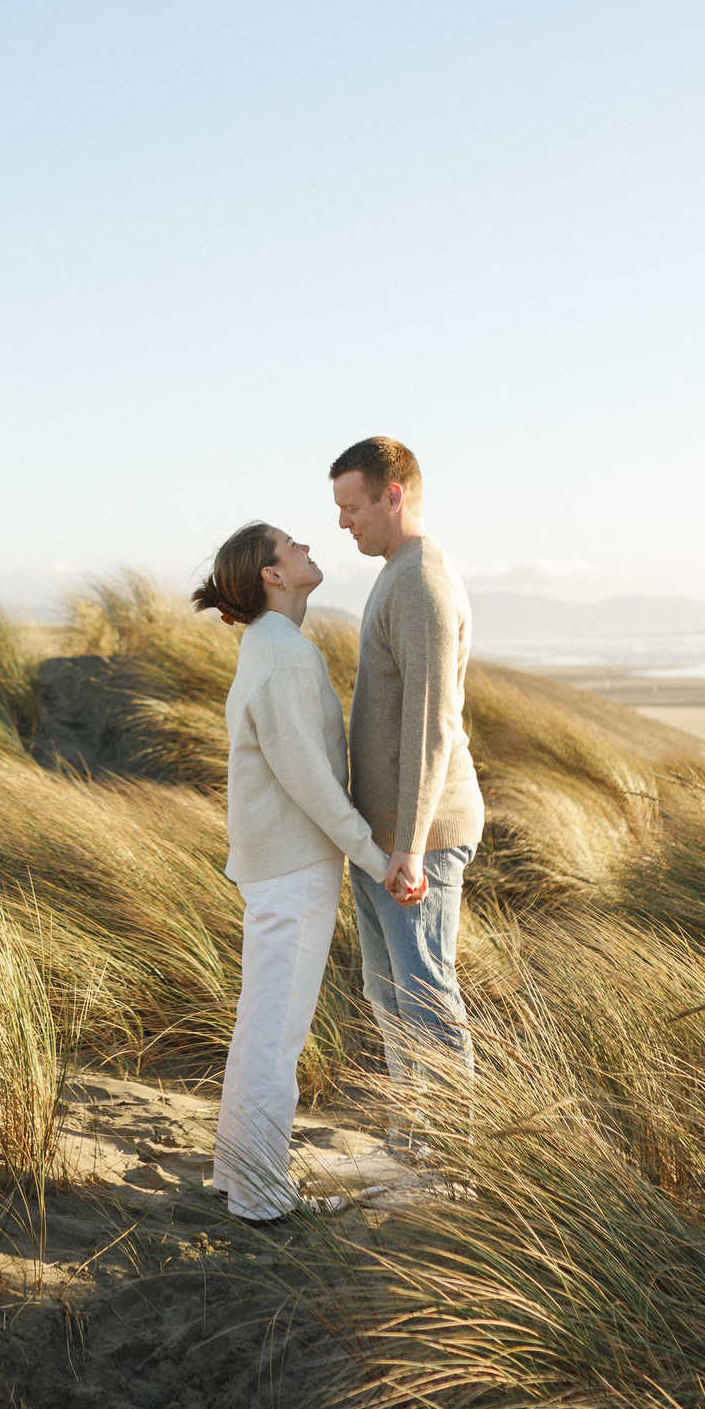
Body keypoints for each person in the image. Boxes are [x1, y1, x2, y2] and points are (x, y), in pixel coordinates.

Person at [195, 519, 406, 1223]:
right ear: (273, 574)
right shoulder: (283, 654)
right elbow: (309, 777)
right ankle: (260, 1193)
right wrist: (373, 856)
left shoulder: (270, 644)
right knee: (277, 1033)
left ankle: (237, 1176)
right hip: (291, 867)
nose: (308, 546)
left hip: (277, 864)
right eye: (292, 545)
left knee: (263, 1025)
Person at [330, 435, 484, 1095]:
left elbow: (432, 722)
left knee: (425, 998)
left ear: (392, 496)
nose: (343, 523)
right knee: (390, 998)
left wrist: (412, 846)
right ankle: (411, 1141)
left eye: (352, 507)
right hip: (386, 834)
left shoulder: (422, 582)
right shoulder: (397, 570)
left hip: (422, 835)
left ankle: (453, 1153)